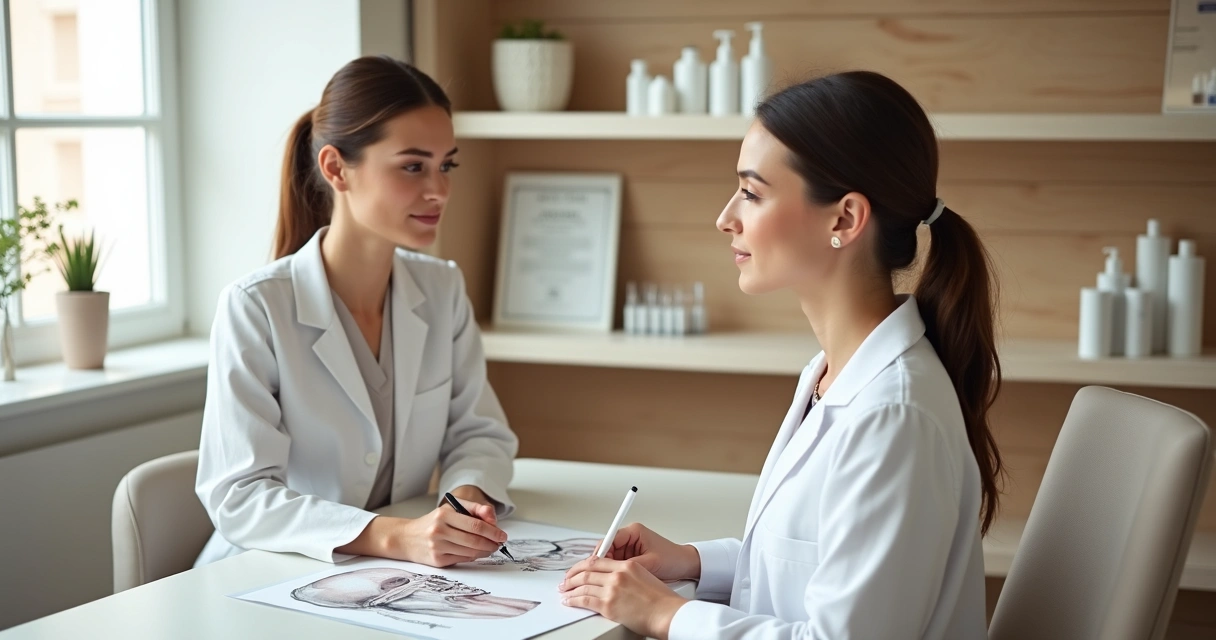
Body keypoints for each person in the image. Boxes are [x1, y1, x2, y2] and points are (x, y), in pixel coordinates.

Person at [560, 71, 1003, 640]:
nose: (727, 218)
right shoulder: (833, 373)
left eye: (751, 192)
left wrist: (665, 614)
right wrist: (693, 561)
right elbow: (818, 562)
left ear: (843, 219)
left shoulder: (892, 416)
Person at [194, 56, 517, 568]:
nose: (439, 190)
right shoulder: (255, 307)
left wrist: (465, 500)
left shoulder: (441, 288)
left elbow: (478, 432)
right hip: (268, 572)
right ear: (335, 168)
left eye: (446, 164)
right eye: (413, 166)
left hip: (391, 576)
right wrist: (394, 537)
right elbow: (239, 496)